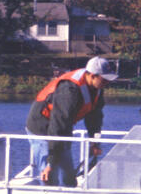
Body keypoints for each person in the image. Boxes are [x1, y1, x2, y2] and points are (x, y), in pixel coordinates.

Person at [25, 56, 118, 186]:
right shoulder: (69, 89)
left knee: (68, 176)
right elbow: (58, 123)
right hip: (41, 127)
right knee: (50, 174)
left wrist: (94, 142)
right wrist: (51, 162)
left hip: (62, 128)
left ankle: (69, 191)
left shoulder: (97, 88)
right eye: (104, 79)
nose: (107, 83)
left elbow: (95, 117)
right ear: (92, 76)